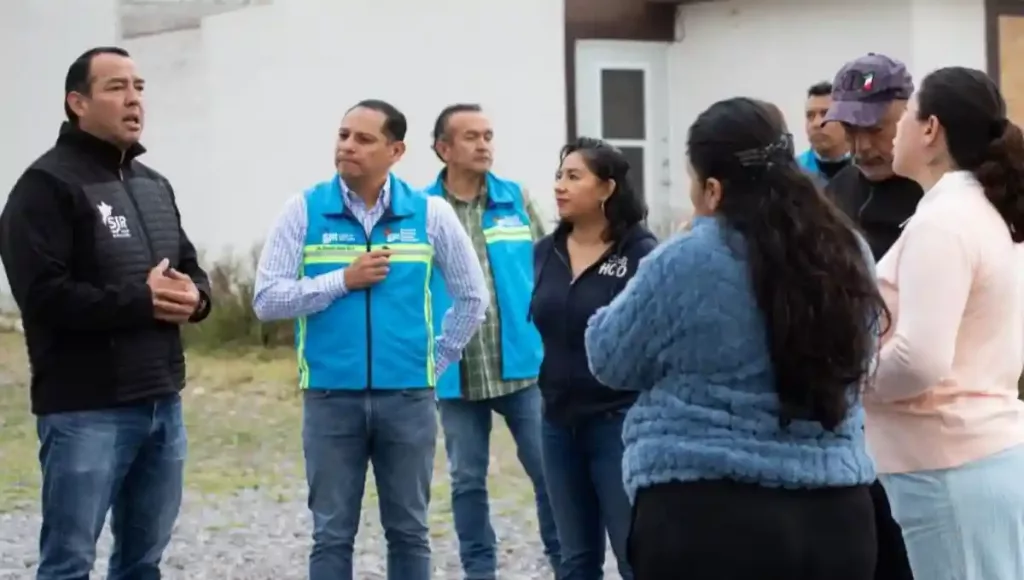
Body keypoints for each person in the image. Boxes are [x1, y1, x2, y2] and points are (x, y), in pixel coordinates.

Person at [585, 97, 884, 580]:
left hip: (706, 512)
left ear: (713, 188)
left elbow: (609, 357)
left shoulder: (689, 257)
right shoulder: (848, 250)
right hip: (837, 514)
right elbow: (865, 352)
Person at [251, 99, 488, 580]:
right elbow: (267, 299)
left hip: (408, 400)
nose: (347, 147)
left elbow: (472, 298)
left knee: (409, 532)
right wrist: (342, 280)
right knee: (332, 535)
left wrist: (432, 364)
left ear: (395, 150)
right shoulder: (303, 210)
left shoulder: (430, 214)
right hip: (329, 398)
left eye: (363, 139)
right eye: (343, 135)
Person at [0, 46, 211, 580]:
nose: (134, 98)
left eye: (139, 86)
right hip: (84, 409)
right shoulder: (44, 187)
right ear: (77, 102)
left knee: (143, 562)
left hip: (162, 405)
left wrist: (198, 299)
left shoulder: (153, 185)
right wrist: (140, 301)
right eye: (116, 87)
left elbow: (190, 269)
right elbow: (43, 297)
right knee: (69, 563)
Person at [872, 66, 1024, 580]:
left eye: (906, 117)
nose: (895, 130)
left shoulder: (946, 220)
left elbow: (920, 360)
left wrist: (847, 376)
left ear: (931, 129)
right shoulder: (984, 210)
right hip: (975, 457)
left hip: (949, 463)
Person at [425, 103, 560, 579]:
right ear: (443, 148)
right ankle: (479, 571)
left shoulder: (515, 199)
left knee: (549, 473)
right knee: (466, 481)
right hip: (455, 369)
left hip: (522, 364)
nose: (484, 145)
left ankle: (567, 564)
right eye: (470, 137)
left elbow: (550, 263)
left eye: (488, 135)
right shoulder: (420, 209)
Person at [529, 137, 657, 580]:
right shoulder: (545, 252)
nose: (560, 186)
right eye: (559, 175)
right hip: (558, 423)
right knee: (575, 559)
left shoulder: (641, 254)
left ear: (606, 189)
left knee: (633, 553)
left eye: (573, 176)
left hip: (619, 422)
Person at [823, 53, 920, 580]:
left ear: (913, 114)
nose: (862, 145)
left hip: (931, 436)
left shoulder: (943, 199)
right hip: (851, 433)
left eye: (876, 128)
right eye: (851, 128)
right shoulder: (835, 196)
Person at [797, 81, 850, 183]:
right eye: (810, 116)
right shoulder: (795, 173)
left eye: (826, 114)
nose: (816, 124)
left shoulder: (870, 169)